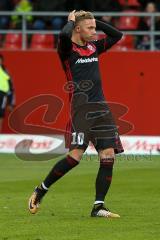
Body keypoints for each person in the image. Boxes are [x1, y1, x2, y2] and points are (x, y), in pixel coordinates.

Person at [28, 10, 124, 218]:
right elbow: (63, 35)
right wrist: (71, 21)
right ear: (77, 29)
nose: (94, 31)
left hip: (101, 110)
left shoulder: (94, 47)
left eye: (94, 28)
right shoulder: (67, 50)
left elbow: (118, 35)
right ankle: (41, 190)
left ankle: (98, 206)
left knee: (108, 156)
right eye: (89, 28)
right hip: (80, 111)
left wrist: (93, 20)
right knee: (75, 157)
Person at [0, 54, 15, 132]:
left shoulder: (5, 72)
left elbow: (11, 88)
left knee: (1, 114)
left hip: (2, 95)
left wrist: (11, 103)